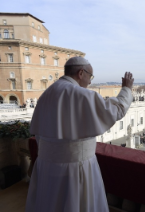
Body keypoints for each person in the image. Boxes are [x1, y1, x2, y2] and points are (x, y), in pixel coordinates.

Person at [26, 57, 134, 212]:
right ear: (81, 73)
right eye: (90, 76)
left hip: (47, 167)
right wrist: (126, 89)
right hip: (76, 169)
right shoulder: (81, 94)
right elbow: (116, 110)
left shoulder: (46, 93)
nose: (90, 82)